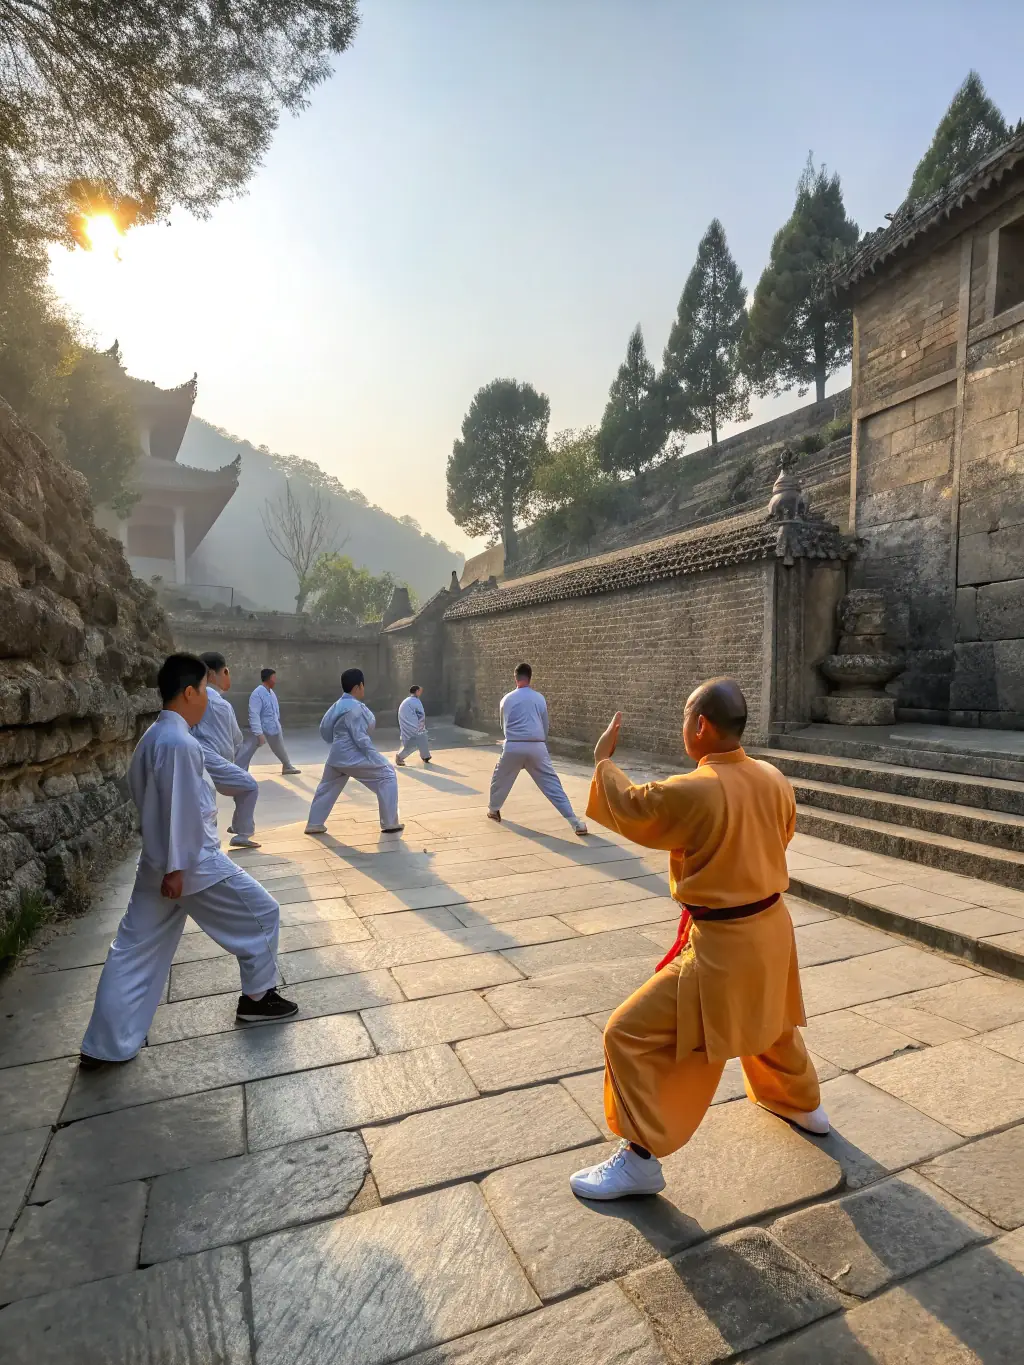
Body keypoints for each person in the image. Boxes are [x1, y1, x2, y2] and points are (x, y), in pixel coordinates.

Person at [568, 677, 828, 1200]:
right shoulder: (775, 777)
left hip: (724, 943)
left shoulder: (696, 789)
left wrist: (603, 763)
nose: (685, 726)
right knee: (769, 1018)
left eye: (687, 717)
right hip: (772, 928)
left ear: (701, 726)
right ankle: (801, 1102)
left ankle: (640, 1156)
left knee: (627, 1034)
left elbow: (637, 806)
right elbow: (782, 835)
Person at [79, 653, 299, 1069]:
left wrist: (166, 865)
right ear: (189, 692)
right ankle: (257, 997)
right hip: (191, 865)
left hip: (158, 863)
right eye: (204, 690)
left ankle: (103, 1043)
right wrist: (178, 870)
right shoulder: (179, 743)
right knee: (263, 913)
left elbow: (147, 799)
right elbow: (180, 810)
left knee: (132, 948)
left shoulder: (152, 739)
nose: (208, 698)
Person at [487, 662, 587, 836]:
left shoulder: (506, 699)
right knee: (553, 786)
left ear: (515, 678)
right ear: (530, 677)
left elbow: (503, 725)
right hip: (537, 746)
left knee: (500, 779)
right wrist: (541, 743)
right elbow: (545, 724)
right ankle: (575, 823)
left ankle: (493, 810)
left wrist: (512, 739)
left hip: (513, 745)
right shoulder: (539, 698)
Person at [305, 667, 403, 835]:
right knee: (387, 775)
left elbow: (324, 730)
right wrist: (377, 758)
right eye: (363, 685)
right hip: (352, 756)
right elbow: (361, 739)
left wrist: (336, 740)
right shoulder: (356, 708)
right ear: (358, 686)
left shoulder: (336, 706)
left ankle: (314, 823)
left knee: (327, 787)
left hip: (335, 756)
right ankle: (389, 822)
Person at [193, 651, 261, 849]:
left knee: (208, 803)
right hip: (211, 759)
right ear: (212, 674)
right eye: (226, 671)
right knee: (249, 785)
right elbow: (236, 738)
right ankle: (241, 833)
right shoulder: (218, 703)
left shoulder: (197, 698)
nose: (228, 676)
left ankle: (235, 830)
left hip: (206, 759)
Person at [237, 668, 301, 775]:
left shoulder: (271, 693)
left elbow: (275, 709)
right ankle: (239, 771)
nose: (275, 680)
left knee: (280, 748)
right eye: (274, 678)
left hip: (273, 726)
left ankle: (287, 766)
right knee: (248, 751)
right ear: (268, 679)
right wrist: (258, 733)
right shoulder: (257, 694)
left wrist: (276, 722)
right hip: (261, 728)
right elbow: (254, 714)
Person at [396, 684, 431, 765]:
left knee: (423, 738)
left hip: (407, 724)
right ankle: (400, 757)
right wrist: (421, 727)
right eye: (420, 691)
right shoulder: (415, 701)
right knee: (414, 742)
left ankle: (425, 756)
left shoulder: (407, 700)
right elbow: (421, 715)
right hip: (412, 725)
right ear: (417, 691)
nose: (421, 692)